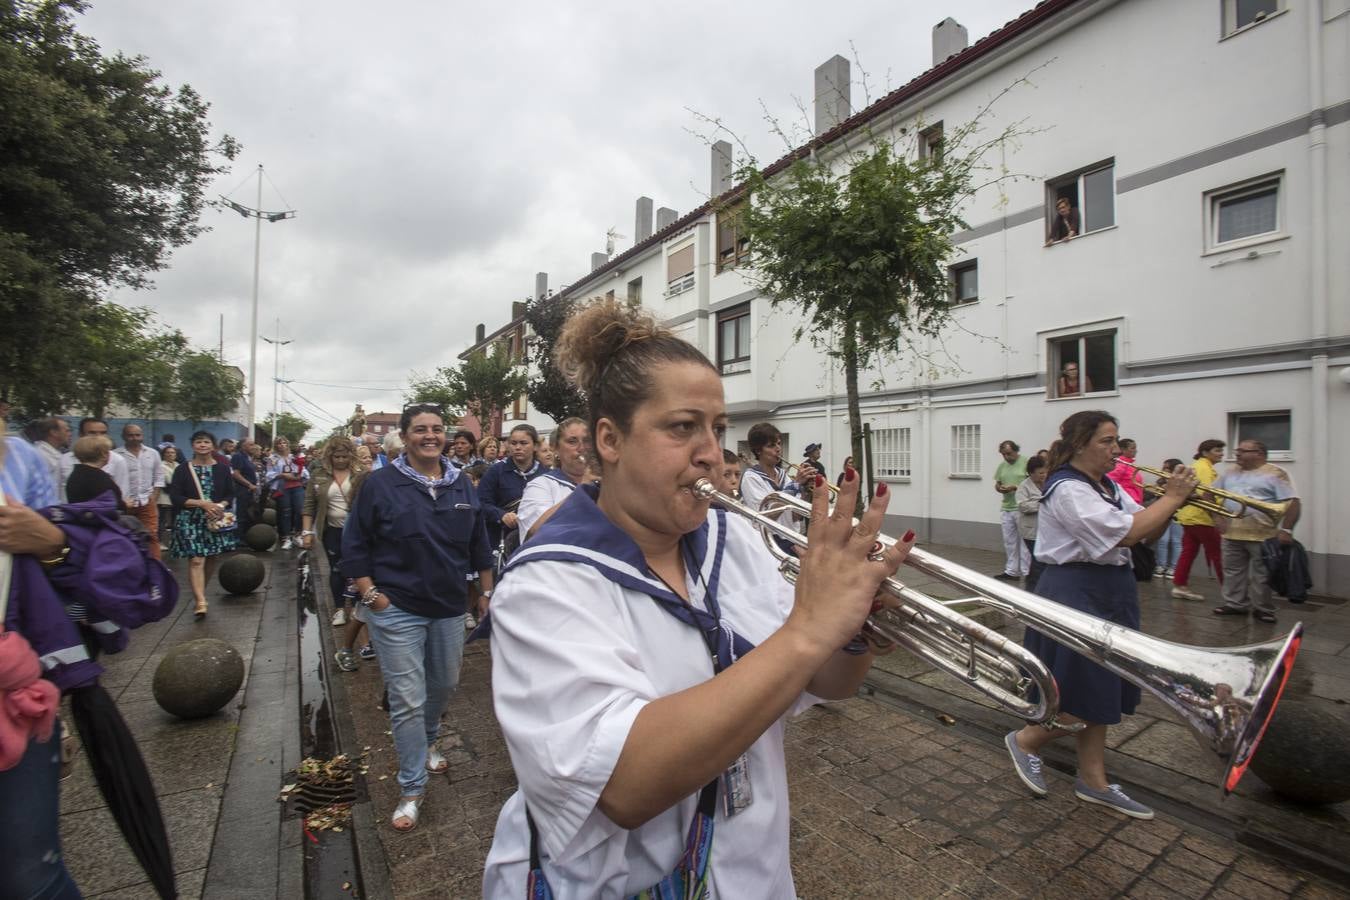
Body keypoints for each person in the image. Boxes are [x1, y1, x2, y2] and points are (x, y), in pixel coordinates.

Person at [481, 298, 914, 896]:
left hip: (754, 872)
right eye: (683, 427)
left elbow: (826, 684)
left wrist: (856, 627)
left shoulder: (734, 537)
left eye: (717, 429)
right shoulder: (545, 583)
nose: (711, 451)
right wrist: (810, 628)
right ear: (610, 439)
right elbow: (626, 787)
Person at [1004, 410, 1196, 821]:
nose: (1116, 449)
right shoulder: (1068, 489)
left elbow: (1144, 529)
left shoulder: (1105, 485)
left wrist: (1169, 504)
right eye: (1107, 441)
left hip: (1110, 589)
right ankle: (1025, 740)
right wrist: (1172, 499)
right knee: (1080, 686)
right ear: (1080, 445)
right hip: (1076, 589)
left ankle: (1093, 781)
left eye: (1116, 440)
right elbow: (1124, 534)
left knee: (1103, 686)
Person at [342, 403, 494, 832]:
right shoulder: (380, 484)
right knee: (407, 699)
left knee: (443, 685)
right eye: (420, 429)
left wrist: (484, 592)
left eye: (436, 429)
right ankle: (412, 788)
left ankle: (429, 740)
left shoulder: (460, 483)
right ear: (405, 437)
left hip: (448, 607)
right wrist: (371, 594)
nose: (430, 436)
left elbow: (479, 544)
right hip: (397, 609)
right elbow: (355, 542)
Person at [0, 417, 79, 900]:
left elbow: (61, 574)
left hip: (15, 695)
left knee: (30, 877)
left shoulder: (19, 460)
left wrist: (52, 543)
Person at [1211, 440, 1300, 624]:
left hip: (1263, 534)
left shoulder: (1275, 474)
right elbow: (1208, 493)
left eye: (1243, 451)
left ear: (1259, 453)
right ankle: (1235, 604)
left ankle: (1263, 608)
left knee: (1263, 574)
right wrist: (1216, 516)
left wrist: (1286, 529)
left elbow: (1293, 503)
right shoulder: (1230, 472)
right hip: (1231, 532)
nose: (1237, 454)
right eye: (1237, 450)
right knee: (1232, 571)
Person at [301, 437, 368, 663]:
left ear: (351, 456)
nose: (340, 460)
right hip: (331, 530)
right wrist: (306, 532)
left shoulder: (360, 473)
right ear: (329, 456)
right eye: (336, 456)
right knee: (337, 569)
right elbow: (309, 504)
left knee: (358, 568)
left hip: (356, 529)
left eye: (344, 456)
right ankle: (340, 607)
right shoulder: (319, 475)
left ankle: (360, 604)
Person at [168, 430, 238, 619]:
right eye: (198, 442)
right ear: (193, 446)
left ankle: (200, 591)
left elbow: (230, 494)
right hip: (190, 519)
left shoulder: (222, 469)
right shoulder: (183, 469)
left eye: (206, 442)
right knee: (197, 559)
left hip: (214, 520)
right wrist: (201, 503)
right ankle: (200, 600)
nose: (202, 445)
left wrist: (220, 505)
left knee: (211, 557)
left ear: (213, 446)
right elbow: (175, 497)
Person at [740, 422, 813, 552]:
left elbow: (795, 517)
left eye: (779, 443)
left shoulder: (783, 475)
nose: (778, 449)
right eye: (771, 445)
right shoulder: (751, 478)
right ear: (758, 450)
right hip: (769, 542)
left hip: (791, 539)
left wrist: (806, 491)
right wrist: (795, 484)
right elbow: (766, 517)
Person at [517, 417, 594, 539]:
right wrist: (583, 488)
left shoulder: (606, 484)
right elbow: (534, 533)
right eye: (572, 441)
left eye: (587, 441)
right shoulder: (540, 485)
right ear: (555, 448)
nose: (582, 448)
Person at [478, 424, 544, 560]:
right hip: (501, 540)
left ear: (535, 446)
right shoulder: (495, 472)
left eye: (523, 443)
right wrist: (501, 515)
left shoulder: (546, 474)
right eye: (513, 443)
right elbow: (480, 502)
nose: (518, 447)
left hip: (538, 542)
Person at [1172, 439, 1226, 602]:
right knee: (1218, 555)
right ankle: (1231, 591)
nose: (1221, 454)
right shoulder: (1204, 468)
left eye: (1221, 451)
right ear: (1205, 452)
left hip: (1190, 517)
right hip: (1202, 517)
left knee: (1188, 551)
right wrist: (1218, 516)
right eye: (1217, 450)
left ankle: (1180, 585)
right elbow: (1207, 494)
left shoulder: (1198, 466)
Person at [114, 424, 162, 559]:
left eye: (137, 435)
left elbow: (158, 477)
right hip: (125, 503)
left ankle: (156, 568)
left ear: (142, 436)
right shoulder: (116, 455)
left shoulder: (152, 453)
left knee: (151, 535)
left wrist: (154, 496)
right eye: (130, 435)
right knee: (125, 536)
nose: (134, 438)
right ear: (124, 436)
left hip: (147, 501)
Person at [61, 418, 130, 500]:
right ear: (81, 435)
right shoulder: (64, 460)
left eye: (103, 433)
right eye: (92, 433)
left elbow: (122, 493)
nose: (98, 437)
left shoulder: (118, 460)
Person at [994, 440, 1031, 581]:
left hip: (1021, 507)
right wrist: (1000, 488)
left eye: (1009, 454)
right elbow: (997, 484)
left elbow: (1031, 483)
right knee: (1009, 541)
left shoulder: (1026, 463)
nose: (1006, 457)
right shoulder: (1002, 466)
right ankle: (1011, 571)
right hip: (1007, 506)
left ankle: (1027, 571)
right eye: (1003, 454)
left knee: (1024, 542)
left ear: (1016, 451)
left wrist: (1015, 487)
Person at [265, 437, 307, 550]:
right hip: (282, 487)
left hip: (296, 486)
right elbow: (269, 474)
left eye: (284, 443)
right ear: (275, 445)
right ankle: (286, 537)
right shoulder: (272, 458)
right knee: (285, 511)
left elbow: (303, 470)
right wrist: (282, 475)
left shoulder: (293, 457)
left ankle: (298, 534)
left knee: (299, 510)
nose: (282, 445)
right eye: (279, 443)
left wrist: (299, 475)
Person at [1016, 455, 1048, 593]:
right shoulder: (1024, 486)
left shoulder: (1049, 483)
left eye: (1045, 471)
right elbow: (1023, 506)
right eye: (1040, 473)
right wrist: (1042, 504)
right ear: (1031, 473)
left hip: (1046, 530)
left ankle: (1038, 589)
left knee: (1042, 561)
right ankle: (1031, 590)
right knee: (1037, 561)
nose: (1044, 475)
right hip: (1031, 531)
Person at [65, 435, 124, 507]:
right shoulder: (100, 479)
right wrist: (125, 505)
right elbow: (114, 505)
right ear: (104, 454)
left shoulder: (75, 475)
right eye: (108, 451)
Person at [23, 416, 70, 503]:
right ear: (54, 432)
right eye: (66, 430)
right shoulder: (41, 456)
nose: (69, 434)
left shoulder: (52, 454)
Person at [1152, 458, 1185, 578]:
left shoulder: (1182, 482)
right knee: (1162, 540)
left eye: (1166, 467)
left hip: (1178, 514)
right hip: (1163, 514)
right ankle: (1161, 566)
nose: (1164, 469)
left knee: (1176, 541)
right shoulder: (1161, 481)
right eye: (1164, 467)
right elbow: (1154, 495)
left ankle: (1174, 567)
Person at [229, 439, 261, 535]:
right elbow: (236, 474)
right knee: (241, 515)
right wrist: (249, 484)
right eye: (251, 445)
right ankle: (239, 538)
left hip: (249, 492)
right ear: (243, 446)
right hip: (242, 490)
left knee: (248, 515)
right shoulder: (238, 456)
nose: (253, 447)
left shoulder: (247, 458)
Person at [1106, 438, 1144, 504]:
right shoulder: (1120, 465)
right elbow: (1109, 484)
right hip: (1126, 503)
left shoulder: (1129, 465)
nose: (1136, 451)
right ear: (1123, 450)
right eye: (1132, 448)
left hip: (1133, 503)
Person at [158, 445, 179, 546]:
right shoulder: (160, 465)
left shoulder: (178, 465)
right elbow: (162, 482)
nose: (170, 454)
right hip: (164, 496)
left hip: (176, 497)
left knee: (175, 520)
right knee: (162, 520)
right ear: (163, 454)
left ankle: (174, 541)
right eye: (168, 452)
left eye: (173, 452)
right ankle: (159, 541)